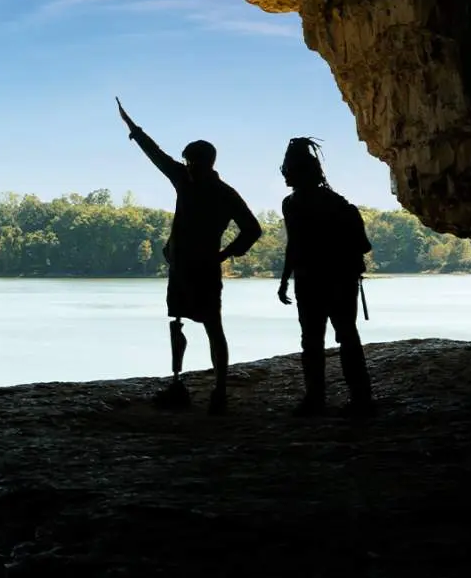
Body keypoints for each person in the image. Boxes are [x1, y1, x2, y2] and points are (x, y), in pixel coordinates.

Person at [116, 98, 262, 414]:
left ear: (202, 162)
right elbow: (157, 156)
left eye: (191, 161)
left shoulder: (199, 185)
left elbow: (253, 229)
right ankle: (181, 383)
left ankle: (218, 391)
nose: (188, 166)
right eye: (188, 162)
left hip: (196, 266)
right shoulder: (211, 188)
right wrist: (134, 130)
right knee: (183, 321)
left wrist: (224, 254)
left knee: (211, 326)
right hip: (189, 265)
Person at [275, 137, 375, 417]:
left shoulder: (291, 204)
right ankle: (360, 399)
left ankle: (316, 399)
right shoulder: (338, 204)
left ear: (298, 172)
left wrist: (286, 279)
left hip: (310, 281)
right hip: (339, 279)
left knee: (312, 341)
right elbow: (363, 245)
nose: (285, 176)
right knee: (346, 336)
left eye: (288, 171)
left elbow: (293, 245)